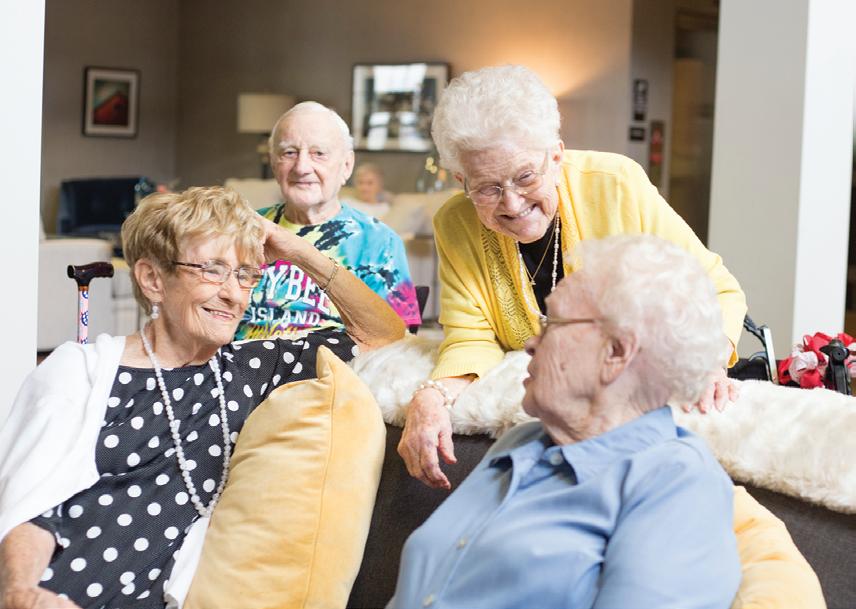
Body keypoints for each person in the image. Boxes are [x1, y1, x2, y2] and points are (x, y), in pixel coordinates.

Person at [0, 186, 405, 609]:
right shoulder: (82, 370)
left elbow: (383, 337)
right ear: (153, 279)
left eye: (245, 274)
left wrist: (299, 251)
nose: (234, 294)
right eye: (213, 270)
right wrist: (23, 591)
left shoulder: (254, 368)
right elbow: (30, 503)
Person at [399, 64, 747, 489]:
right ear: (461, 180)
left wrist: (706, 361)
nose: (512, 203)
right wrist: (434, 395)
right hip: (547, 433)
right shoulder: (455, 223)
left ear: (556, 156)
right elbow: (471, 337)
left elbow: (715, 289)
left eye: (525, 177)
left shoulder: (616, 185)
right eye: (487, 187)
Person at [388, 235, 741, 609]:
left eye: (552, 322)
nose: (530, 343)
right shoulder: (521, 442)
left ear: (615, 353)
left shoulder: (676, 483)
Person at [234, 102, 421, 341]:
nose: (302, 167)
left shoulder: (379, 242)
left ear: (346, 166)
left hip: (335, 362)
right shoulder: (243, 229)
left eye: (319, 153)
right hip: (240, 360)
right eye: (289, 153)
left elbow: (399, 340)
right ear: (273, 163)